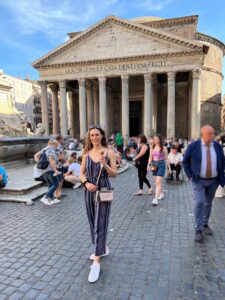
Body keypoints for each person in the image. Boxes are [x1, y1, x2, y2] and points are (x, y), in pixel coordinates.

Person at [80, 125, 117, 283]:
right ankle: (102, 248)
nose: (94, 137)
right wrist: (86, 182)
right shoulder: (86, 154)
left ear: (102, 136)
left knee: (100, 223)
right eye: (92, 135)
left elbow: (114, 174)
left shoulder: (109, 153)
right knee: (92, 221)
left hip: (103, 191)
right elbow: (81, 173)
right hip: (89, 191)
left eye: (97, 134)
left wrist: (105, 164)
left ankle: (96, 262)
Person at [183, 125, 225, 243]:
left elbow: (222, 160)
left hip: (214, 180)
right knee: (199, 202)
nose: (212, 136)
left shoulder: (217, 146)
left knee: (208, 203)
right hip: (198, 180)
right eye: (210, 134)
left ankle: (205, 223)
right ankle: (198, 229)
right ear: (203, 135)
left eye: (213, 133)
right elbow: (185, 161)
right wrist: (190, 175)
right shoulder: (194, 146)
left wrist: (222, 173)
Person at [34, 139, 61, 206]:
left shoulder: (44, 149)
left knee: (50, 185)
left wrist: (39, 164)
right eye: (56, 145)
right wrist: (55, 170)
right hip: (50, 170)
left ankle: (52, 199)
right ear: (53, 144)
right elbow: (51, 159)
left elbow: (35, 155)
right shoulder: (51, 149)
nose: (57, 146)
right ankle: (45, 198)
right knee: (56, 184)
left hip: (44, 170)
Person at [148, 134, 170, 206]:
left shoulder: (164, 148)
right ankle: (162, 193)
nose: (155, 140)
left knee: (158, 182)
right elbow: (150, 157)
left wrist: (169, 168)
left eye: (156, 139)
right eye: (154, 139)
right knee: (157, 182)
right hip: (154, 165)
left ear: (160, 140)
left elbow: (166, 158)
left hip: (161, 164)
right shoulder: (152, 147)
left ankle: (155, 199)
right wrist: (148, 165)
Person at [55, 134, 68, 199]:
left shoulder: (54, 145)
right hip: (59, 165)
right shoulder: (59, 146)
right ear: (59, 139)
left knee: (58, 179)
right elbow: (61, 157)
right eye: (62, 139)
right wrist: (65, 161)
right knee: (60, 179)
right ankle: (58, 193)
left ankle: (57, 193)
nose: (63, 140)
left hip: (55, 165)